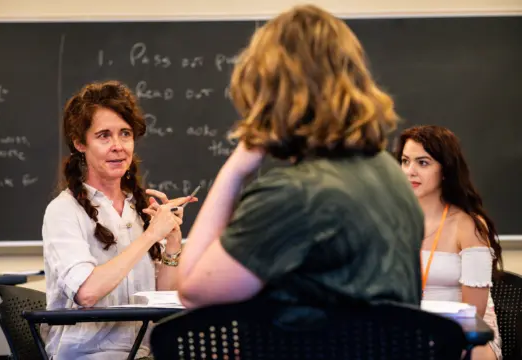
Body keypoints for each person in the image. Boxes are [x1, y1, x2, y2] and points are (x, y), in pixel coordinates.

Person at [176, 5, 424, 311]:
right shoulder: (390, 173)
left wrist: (235, 171)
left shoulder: (293, 194)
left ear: (270, 93)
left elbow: (191, 289)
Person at [42, 80, 195, 360]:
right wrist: (149, 236)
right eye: (104, 136)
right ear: (80, 143)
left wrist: (172, 241)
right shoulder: (63, 211)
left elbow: (163, 298)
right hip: (87, 355)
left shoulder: (137, 208)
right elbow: (87, 292)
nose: (118, 146)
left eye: (125, 134)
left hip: (144, 352)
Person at [395, 125, 503, 360]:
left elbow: (473, 314)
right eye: (405, 161)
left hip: (465, 333)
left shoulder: (469, 226)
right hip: (411, 329)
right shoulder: (393, 221)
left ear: (445, 170)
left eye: (422, 163)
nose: (409, 171)